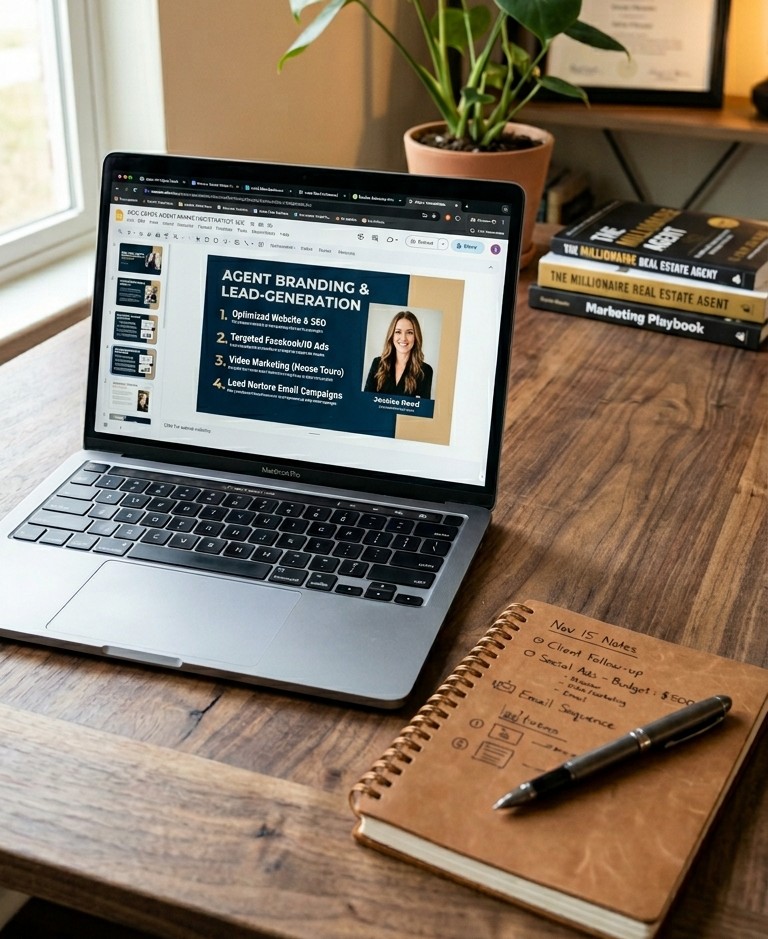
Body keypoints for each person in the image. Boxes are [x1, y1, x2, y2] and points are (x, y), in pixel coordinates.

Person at [364, 311, 433, 398]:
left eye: (409, 332)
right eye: (398, 332)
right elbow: (366, 401)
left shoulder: (425, 371)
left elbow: (423, 409)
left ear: (416, 337)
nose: (403, 338)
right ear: (392, 335)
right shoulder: (378, 363)